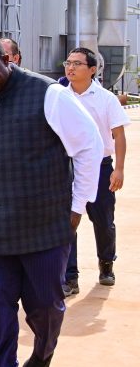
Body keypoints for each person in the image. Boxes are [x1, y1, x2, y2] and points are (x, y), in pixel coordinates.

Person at [0, 35, 101, 367]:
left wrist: (77, 206)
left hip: (43, 225)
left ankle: (43, 349)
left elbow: (89, 145)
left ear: (7, 60)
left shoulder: (48, 94)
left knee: (45, 306)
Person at [61, 47, 129, 295]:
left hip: (99, 167)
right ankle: (70, 277)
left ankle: (106, 263)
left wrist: (118, 169)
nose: (70, 67)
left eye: (77, 64)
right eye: (68, 62)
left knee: (102, 220)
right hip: (68, 167)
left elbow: (119, 135)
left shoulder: (105, 99)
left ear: (92, 70)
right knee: (68, 220)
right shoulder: (60, 97)